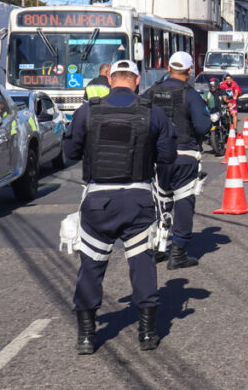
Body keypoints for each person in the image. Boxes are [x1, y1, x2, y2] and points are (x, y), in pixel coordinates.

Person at [63, 60, 176, 354]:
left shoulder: (89, 110)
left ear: (111, 80)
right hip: (138, 200)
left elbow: (70, 151)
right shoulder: (153, 113)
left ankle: (87, 337)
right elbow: (167, 158)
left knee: (91, 266)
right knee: (142, 264)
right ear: (137, 81)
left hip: (98, 201)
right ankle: (148, 334)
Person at [143, 52, 210, 269]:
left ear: (169, 68)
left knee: (160, 201)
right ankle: (178, 252)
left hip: (156, 157)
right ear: (190, 71)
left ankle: (157, 248)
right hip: (183, 155)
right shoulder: (189, 94)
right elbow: (202, 126)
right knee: (184, 200)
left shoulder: (152, 92)